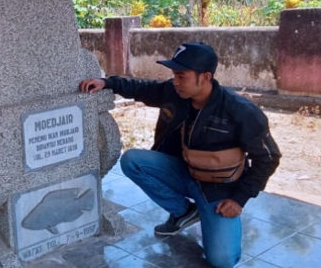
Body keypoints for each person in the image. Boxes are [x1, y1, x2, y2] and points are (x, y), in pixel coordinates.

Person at [79, 42, 281, 268]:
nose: (175, 81)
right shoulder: (173, 93)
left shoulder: (240, 111)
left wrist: (239, 199)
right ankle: (184, 211)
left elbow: (268, 158)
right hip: (183, 172)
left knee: (222, 260)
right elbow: (140, 87)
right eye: (174, 74)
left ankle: (207, 214)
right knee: (132, 160)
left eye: (181, 76)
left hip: (218, 189)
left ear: (205, 77)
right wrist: (107, 82)